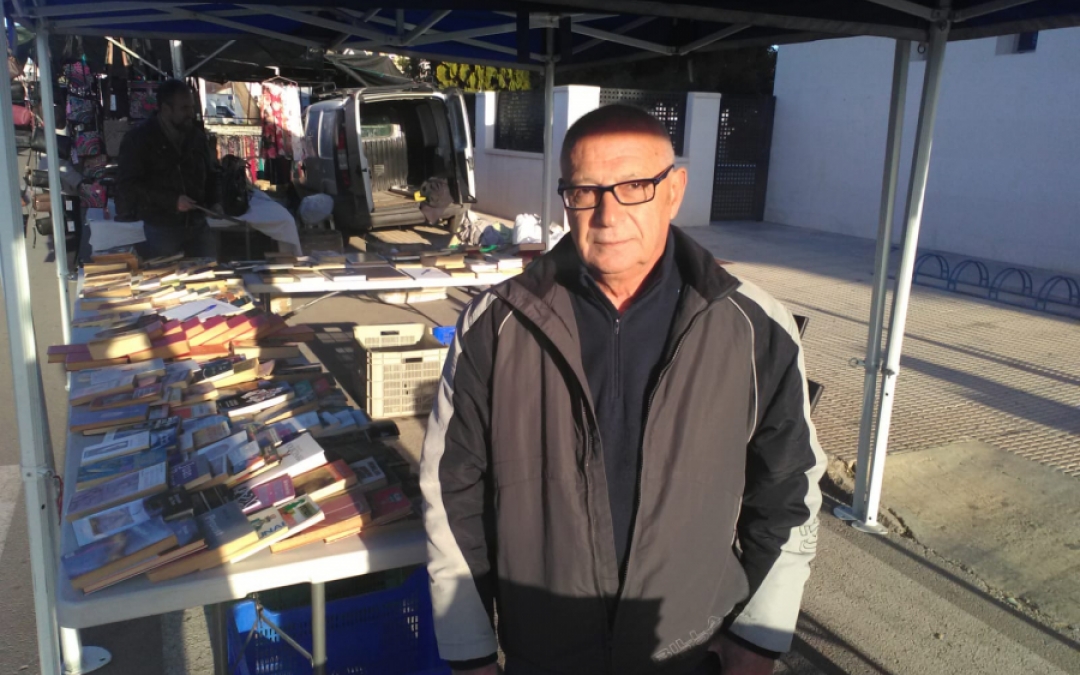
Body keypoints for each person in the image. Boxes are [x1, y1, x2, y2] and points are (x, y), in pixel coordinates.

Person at [421, 104, 826, 675]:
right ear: (565, 198)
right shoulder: (496, 324)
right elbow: (451, 489)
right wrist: (470, 650)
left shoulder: (754, 326)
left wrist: (759, 638)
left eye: (635, 186)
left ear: (674, 190)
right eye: (584, 191)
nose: (608, 215)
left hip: (689, 651)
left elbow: (788, 488)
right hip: (544, 655)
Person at [116, 79, 219, 258]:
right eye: (184, 108)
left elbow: (212, 174)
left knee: (210, 273)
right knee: (165, 275)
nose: (191, 113)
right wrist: (172, 201)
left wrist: (216, 201)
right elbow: (128, 185)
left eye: (192, 107)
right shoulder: (139, 139)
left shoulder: (197, 137)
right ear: (165, 109)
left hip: (197, 226)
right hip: (160, 229)